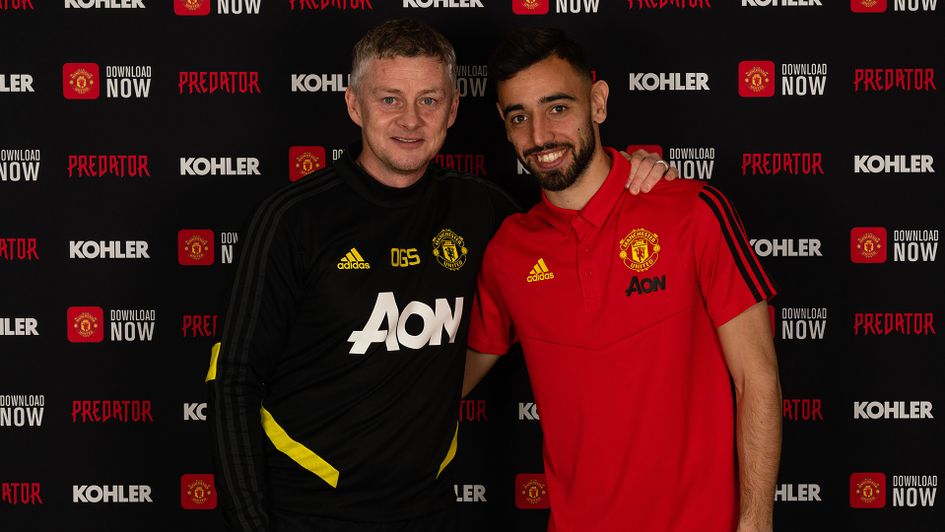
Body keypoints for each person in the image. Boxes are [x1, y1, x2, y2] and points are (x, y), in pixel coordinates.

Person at [206, 19, 675, 532]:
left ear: (453, 110)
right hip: (304, 511)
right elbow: (234, 381)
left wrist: (635, 171)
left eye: (428, 100)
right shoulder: (293, 219)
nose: (410, 120)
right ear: (354, 105)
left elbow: (572, 213)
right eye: (389, 99)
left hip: (428, 509)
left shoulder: (483, 210)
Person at [464, 28, 782, 532]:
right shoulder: (508, 251)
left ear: (598, 103)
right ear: (504, 128)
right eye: (518, 117)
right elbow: (447, 379)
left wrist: (756, 520)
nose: (540, 135)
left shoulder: (692, 211)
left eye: (558, 108)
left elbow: (757, 379)